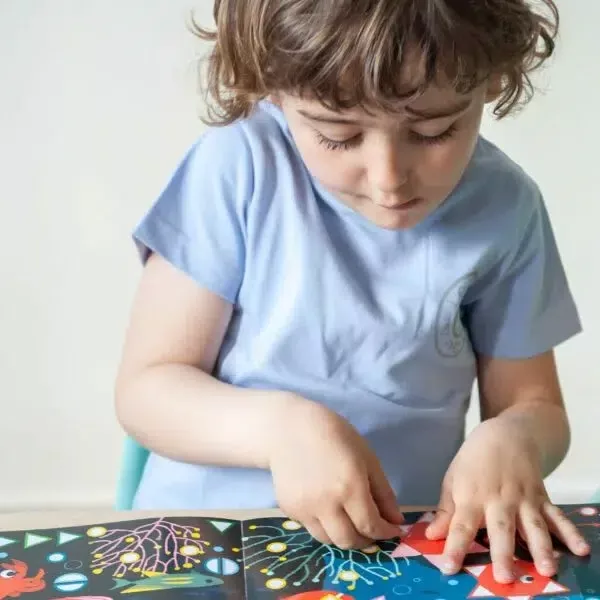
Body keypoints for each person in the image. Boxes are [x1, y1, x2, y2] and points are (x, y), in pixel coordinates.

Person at [114, 0, 591, 584]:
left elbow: (536, 406)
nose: (389, 178)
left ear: (492, 79)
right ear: (274, 91)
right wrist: (281, 430)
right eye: (337, 136)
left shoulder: (506, 207)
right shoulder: (237, 166)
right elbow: (148, 390)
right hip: (204, 541)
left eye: (433, 130)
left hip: (400, 551)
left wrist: (514, 437)